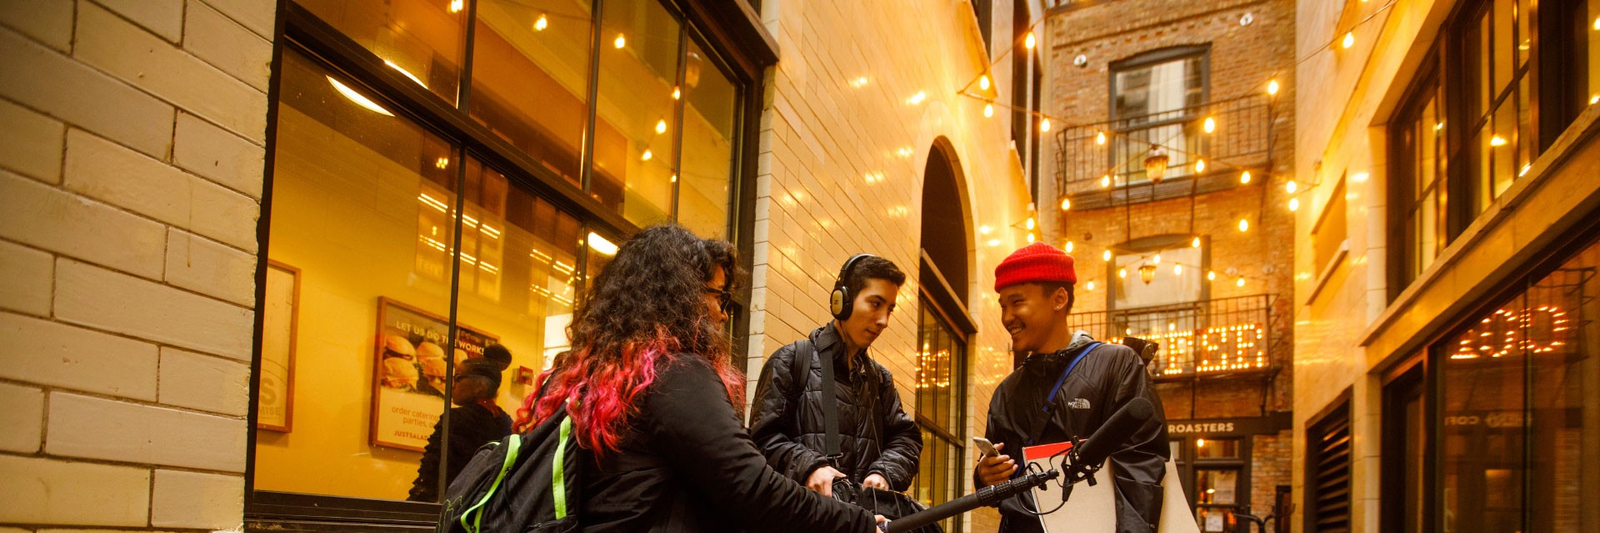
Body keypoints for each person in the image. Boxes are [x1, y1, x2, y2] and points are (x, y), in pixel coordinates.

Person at [514, 225, 878, 532]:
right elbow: (753, 488)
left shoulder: (591, 374)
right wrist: (857, 522)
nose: (723, 314)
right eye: (719, 297)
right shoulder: (674, 373)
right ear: (680, 295)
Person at [974, 243, 1169, 533]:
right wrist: (984, 476)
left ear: (1059, 299)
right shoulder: (1007, 391)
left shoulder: (1115, 364)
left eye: (1017, 303)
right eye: (1003, 306)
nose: (1007, 317)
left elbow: (1140, 462)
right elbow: (1001, 485)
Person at [749, 254, 921, 498]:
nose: (884, 321)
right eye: (875, 304)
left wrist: (884, 472)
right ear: (842, 301)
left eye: (890, 310)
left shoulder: (880, 380)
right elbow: (763, 441)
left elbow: (907, 439)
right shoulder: (790, 360)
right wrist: (810, 468)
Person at [408, 356, 514, 501]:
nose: (453, 385)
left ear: (480, 385)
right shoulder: (506, 422)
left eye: (457, 378)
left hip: (455, 505)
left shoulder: (456, 419)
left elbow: (431, 473)